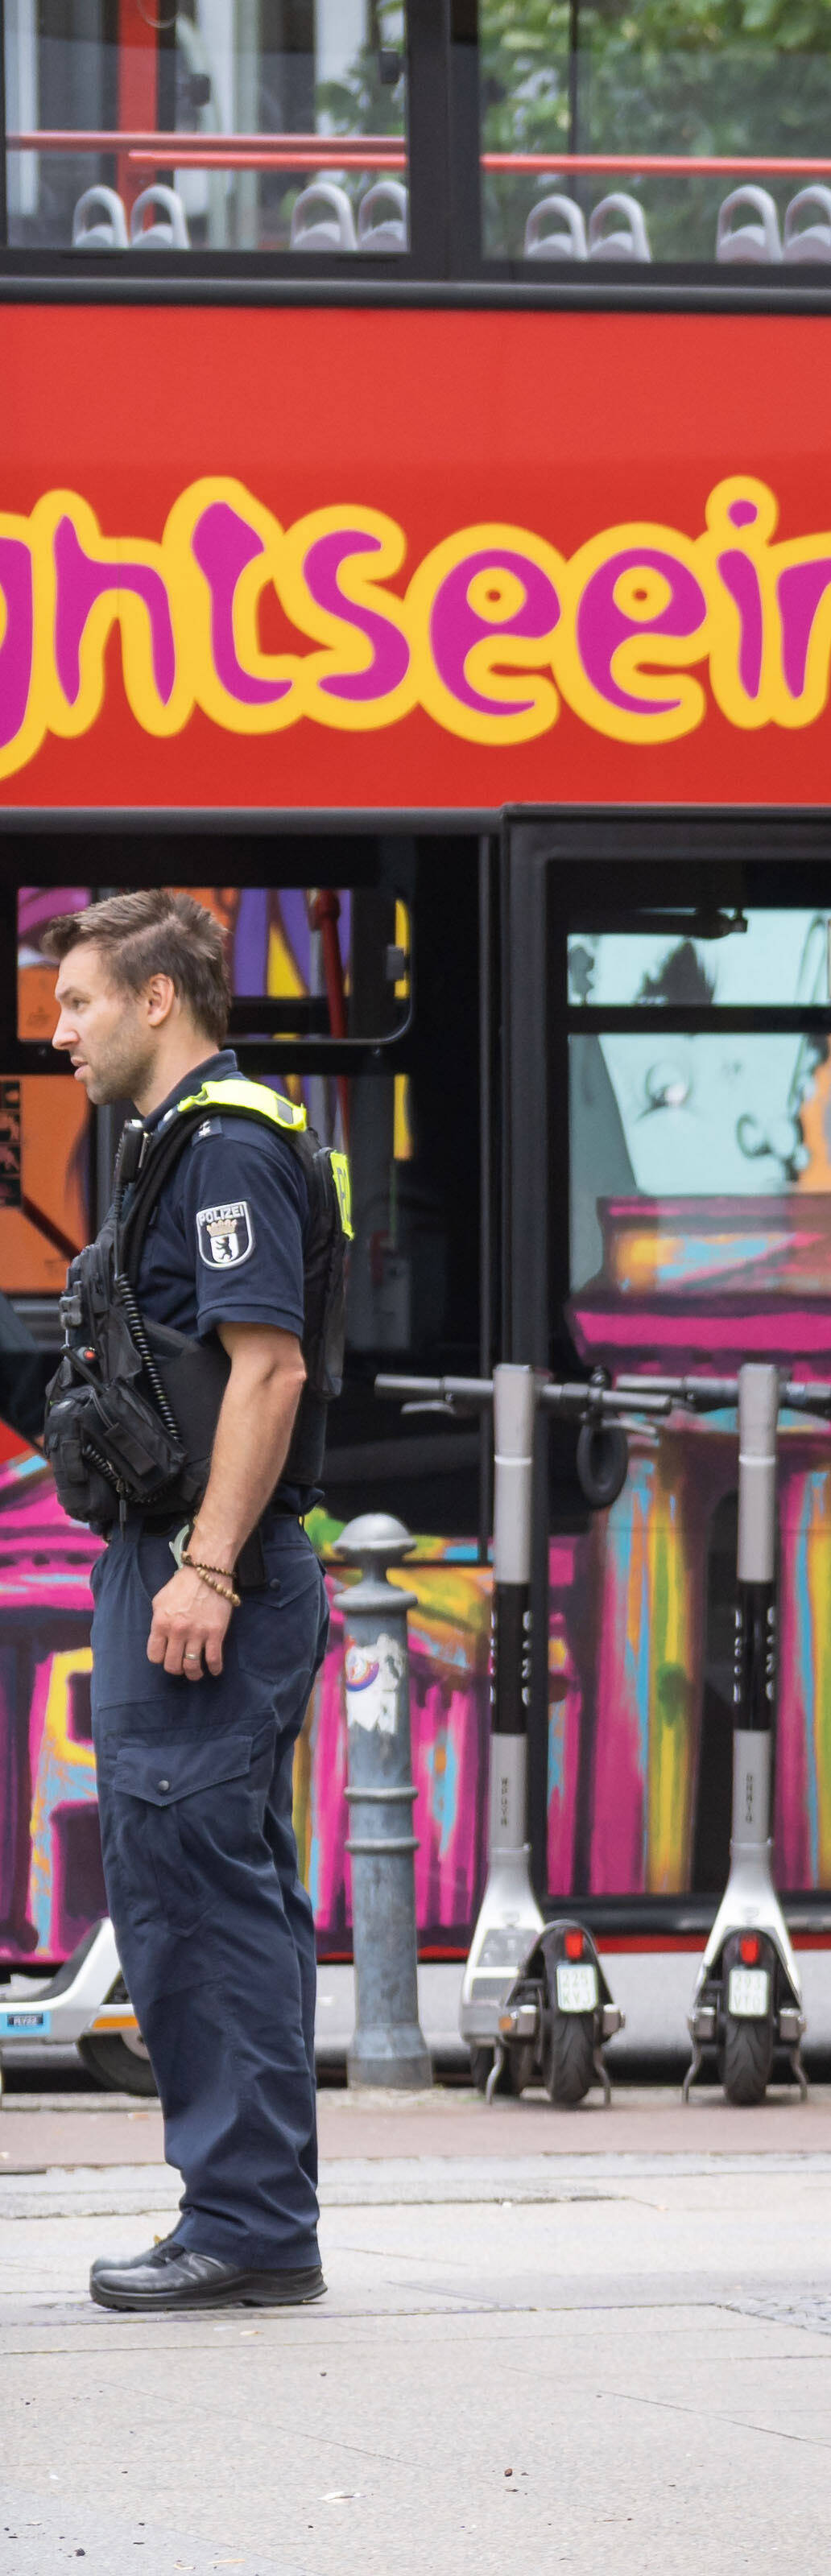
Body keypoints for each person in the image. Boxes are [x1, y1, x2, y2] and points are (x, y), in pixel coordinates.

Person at [52, 890, 341, 2308]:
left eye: (79, 1003)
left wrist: (209, 1564)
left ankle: (245, 2225)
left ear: (157, 999)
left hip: (206, 1563)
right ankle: (247, 2210)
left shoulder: (225, 1149)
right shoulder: (181, 1147)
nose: (59, 1035)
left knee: (193, 1897)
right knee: (214, 1886)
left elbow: (267, 1367)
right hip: (179, 1552)